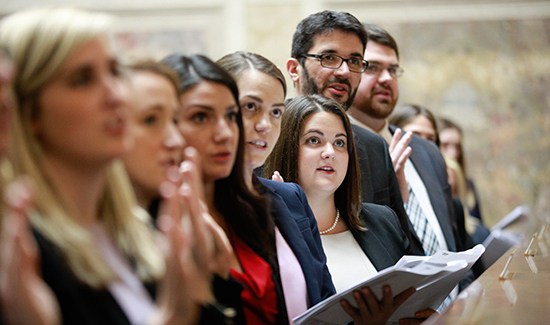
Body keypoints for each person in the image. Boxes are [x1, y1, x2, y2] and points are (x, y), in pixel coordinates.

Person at [0, 8, 217, 325]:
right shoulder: (23, 252)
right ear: (30, 111)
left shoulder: (137, 234)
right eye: (82, 80)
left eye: (114, 71)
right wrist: (174, 314)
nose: (116, 95)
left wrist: (205, 284)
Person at [263, 94, 434, 325]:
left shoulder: (382, 221)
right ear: (287, 149)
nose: (330, 152)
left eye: (340, 143)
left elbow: (417, 293)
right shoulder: (270, 233)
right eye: (314, 140)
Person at [166, 53, 307, 325]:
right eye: (200, 117)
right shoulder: (152, 221)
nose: (225, 133)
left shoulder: (252, 206)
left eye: (230, 116)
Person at [286, 10, 424, 255]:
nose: (343, 72)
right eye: (329, 57)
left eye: (354, 61)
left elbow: (405, 250)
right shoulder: (264, 141)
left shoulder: (372, 147)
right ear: (294, 68)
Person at [216, 50, 335, 323]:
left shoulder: (290, 197)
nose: (264, 125)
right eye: (250, 107)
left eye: (276, 112)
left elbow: (326, 299)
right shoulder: (197, 204)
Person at [438, 117, 484, 224]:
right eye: (445, 145)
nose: (453, 153)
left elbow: (478, 221)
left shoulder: (467, 185)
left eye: (457, 146)